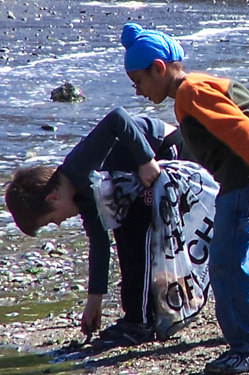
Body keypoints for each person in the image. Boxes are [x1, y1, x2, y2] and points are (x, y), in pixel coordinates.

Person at [121, 22, 249, 374]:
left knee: (227, 266)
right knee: (246, 262)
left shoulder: (191, 93)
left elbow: (243, 131)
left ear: (158, 68)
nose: (139, 92)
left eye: (138, 81)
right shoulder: (200, 86)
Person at [4, 107, 189, 346]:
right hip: (141, 180)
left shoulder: (78, 164)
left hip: (166, 149)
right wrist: (94, 301)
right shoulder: (84, 199)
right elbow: (100, 244)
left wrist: (145, 160)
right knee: (123, 231)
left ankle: (140, 323)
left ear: (53, 198)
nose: (59, 222)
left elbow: (117, 118)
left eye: (52, 219)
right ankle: (136, 316)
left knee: (135, 231)